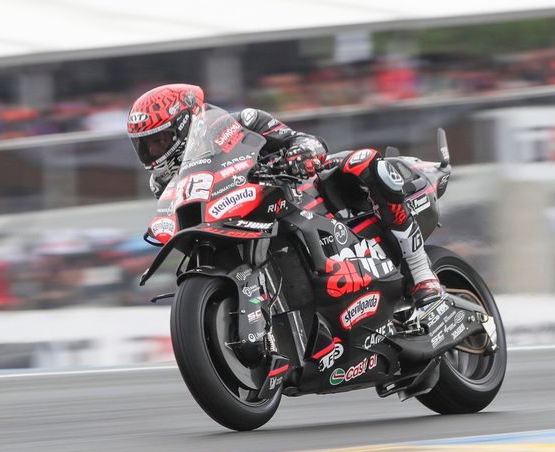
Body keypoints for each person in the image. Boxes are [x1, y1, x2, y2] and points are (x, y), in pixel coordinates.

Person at [127, 83, 442, 308]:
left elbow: (304, 140)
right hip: (238, 223)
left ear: (186, 126)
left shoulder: (242, 122)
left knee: (366, 163)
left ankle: (420, 270)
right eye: (147, 145)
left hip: (295, 190)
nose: (154, 153)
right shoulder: (165, 183)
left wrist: (299, 152)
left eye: (160, 141)